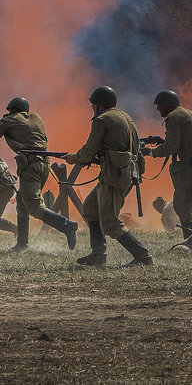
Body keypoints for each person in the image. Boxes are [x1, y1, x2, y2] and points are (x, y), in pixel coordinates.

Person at [64, 86, 150, 267]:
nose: (92, 108)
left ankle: (143, 256)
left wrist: (75, 158)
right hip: (121, 172)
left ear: (99, 105)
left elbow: (89, 149)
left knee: (110, 221)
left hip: (114, 175)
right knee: (90, 208)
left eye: (93, 105)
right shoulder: (126, 117)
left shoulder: (102, 119)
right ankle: (98, 255)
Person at [0, 96, 79, 252]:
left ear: (14, 109)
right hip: (44, 164)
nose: (8, 113)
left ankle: (66, 226)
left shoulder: (10, 120)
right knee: (22, 203)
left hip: (30, 166)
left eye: (10, 110)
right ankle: (22, 244)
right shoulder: (36, 118)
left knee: (34, 206)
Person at [140, 90, 192, 242]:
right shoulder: (186, 113)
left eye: (160, 106)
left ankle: (189, 242)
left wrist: (150, 151)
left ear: (168, 106)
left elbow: (172, 146)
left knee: (182, 205)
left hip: (187, 166)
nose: (158, 110)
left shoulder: (173, 118)